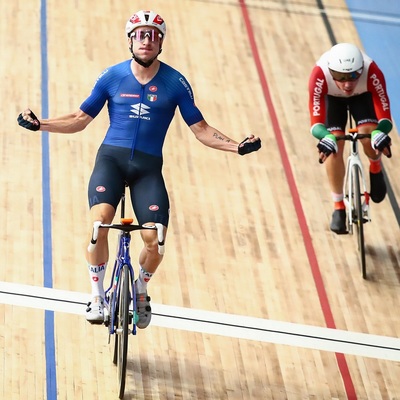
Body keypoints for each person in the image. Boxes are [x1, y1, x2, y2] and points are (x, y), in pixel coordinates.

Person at [17, 10, 261, 328]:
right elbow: (79, 119)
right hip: (111, 161)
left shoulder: (175, 83)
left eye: (153, 35)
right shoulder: (112, 77)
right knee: (99, 224)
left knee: (155, 239)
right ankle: (96, 295)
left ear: (161, 43)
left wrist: (236, 146)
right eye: (141, 34)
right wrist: (41, 125)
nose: (146, 40)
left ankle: (141, 289)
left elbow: (200, 128)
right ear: (130, 40)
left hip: (148, 169)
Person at [308, 42, 392, 234]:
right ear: (331, 71)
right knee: (333, 146)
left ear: (361, 70)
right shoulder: (319, 74)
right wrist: (325, 136)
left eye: (354, 75)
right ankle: (338, 207)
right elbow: (316, 124)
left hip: (362, 98)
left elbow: (385, 116)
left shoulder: (372, 71)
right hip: (332, 100)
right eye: (340, 77)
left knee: (370, 134)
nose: (347, 84)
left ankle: (375, 167)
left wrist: (380, 132)